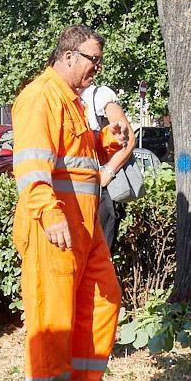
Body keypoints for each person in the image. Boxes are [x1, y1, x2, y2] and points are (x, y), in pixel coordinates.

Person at [11, 26, 128, 381]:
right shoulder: (40, 97)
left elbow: (75, 155)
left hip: (83, 225)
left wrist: (106, 140)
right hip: (55, 227)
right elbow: (30, 166)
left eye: (99, 61)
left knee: (103, 298)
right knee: (53, 315)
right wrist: (49, 213)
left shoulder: (71, 101)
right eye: (92, 60)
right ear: (67, 56)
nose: (96, 68)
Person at [82, 75, 137, 252]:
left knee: (100, 251)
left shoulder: (99, 95)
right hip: (78, 189)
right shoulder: (62, 97)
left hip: (100, 189)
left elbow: (128, 139)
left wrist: (108, 172)